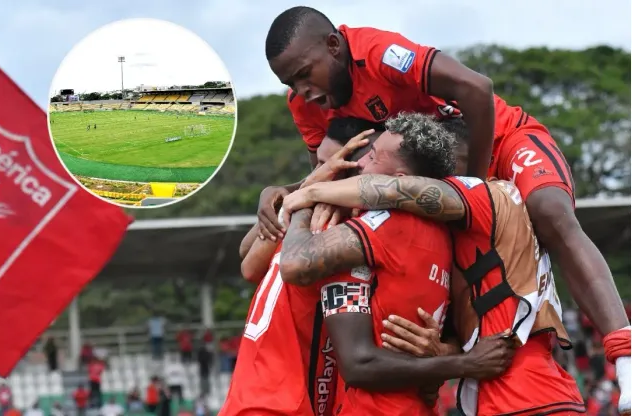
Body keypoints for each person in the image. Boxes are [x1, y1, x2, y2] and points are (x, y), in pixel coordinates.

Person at [260, 11, 631, 400]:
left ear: (334, 46)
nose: (302, 91)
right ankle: (458, 363)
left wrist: (475, 183)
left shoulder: (379, 53)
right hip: (444, 185)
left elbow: (476, 87)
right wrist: (279, 191)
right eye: (290, 83)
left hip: (499, 142)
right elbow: (331, 171)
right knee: (436, 264)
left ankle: (625, 354)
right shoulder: (306, 106)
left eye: (305, 74)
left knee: (551, 212)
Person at [282, 115, 588, 414]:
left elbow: (296, 265)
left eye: (372, 156)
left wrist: (306, 194)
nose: (360, 164)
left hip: (525, 396)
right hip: (504, 394)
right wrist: (446, 355)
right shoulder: (449, 238)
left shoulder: (470, 200)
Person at [218, 123, 375, 416]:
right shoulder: (313, 225)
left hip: (272, 396)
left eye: (334, 166)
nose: (323, 173)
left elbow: (249, 264)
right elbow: (249, 265)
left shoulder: (319, 224)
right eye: (319, 165)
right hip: (276, 400)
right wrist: (302, 192)